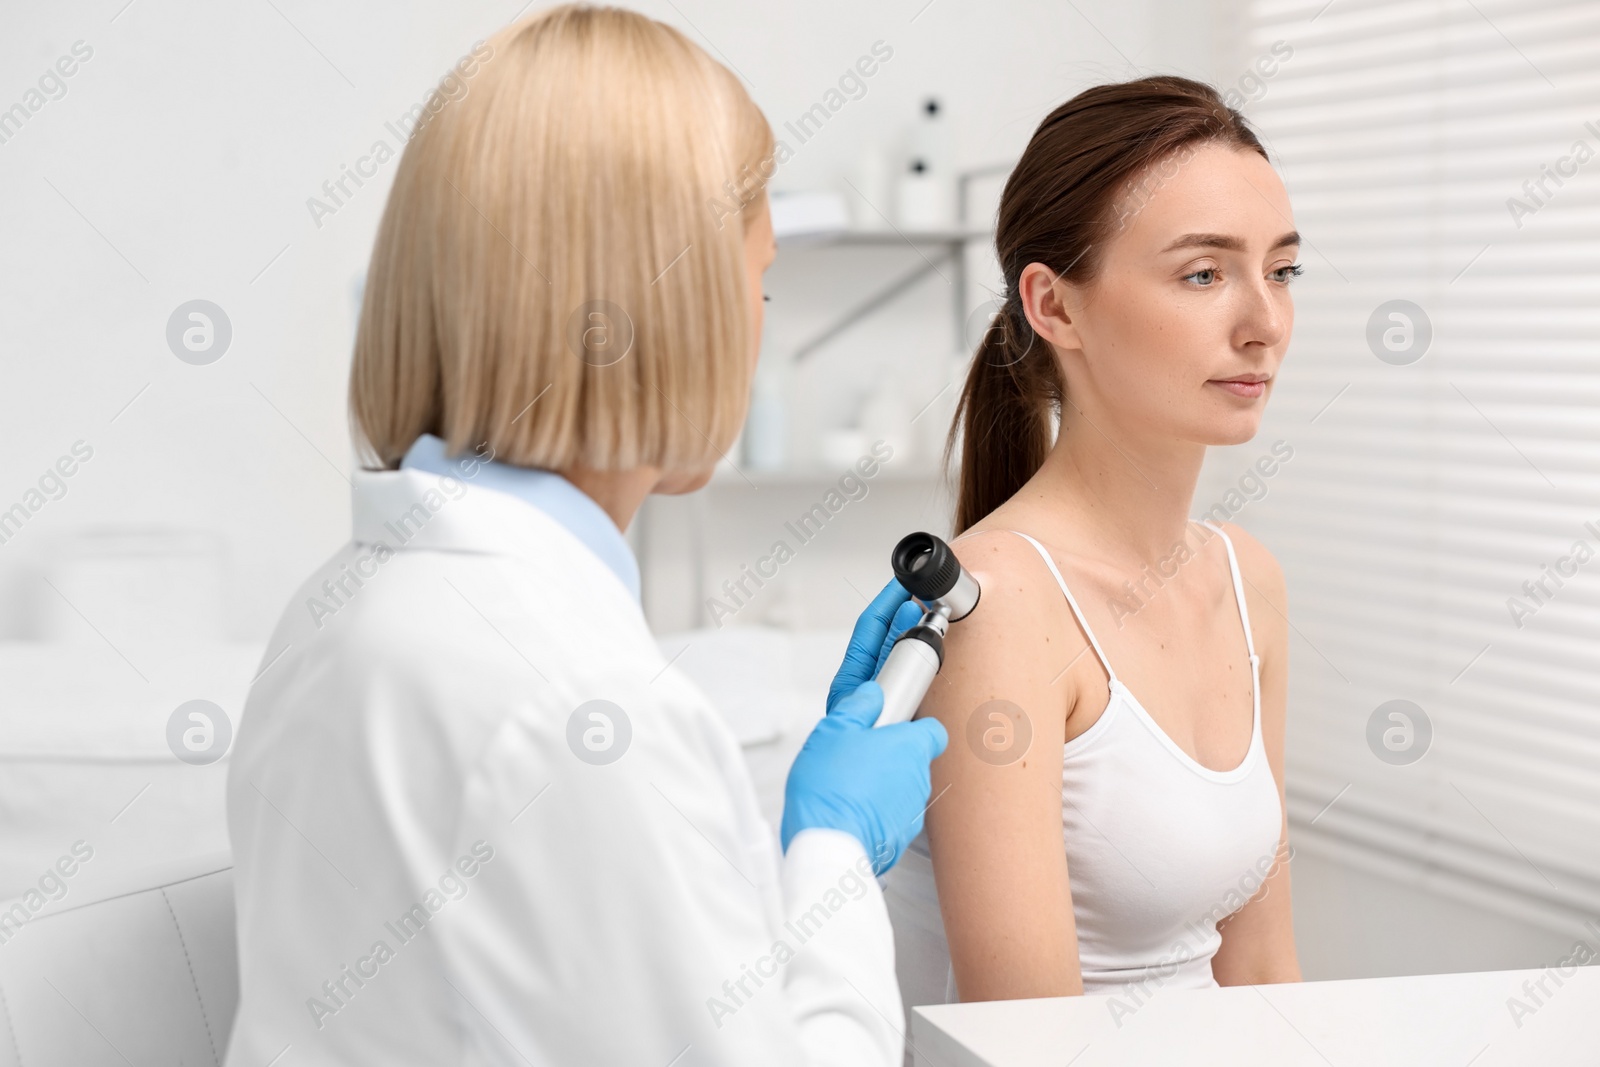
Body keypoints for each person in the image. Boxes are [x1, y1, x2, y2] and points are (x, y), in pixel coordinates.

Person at [222, 7, 946, 1065]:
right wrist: (832, 846)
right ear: (676, 307)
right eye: (761, 284)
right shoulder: (582, 706)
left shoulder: (340, 611)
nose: (758, 326)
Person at [883, 76, 1302, 1028]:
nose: (1264, 322)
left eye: (1282, 270)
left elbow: (1265, 966)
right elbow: (1032, 1039)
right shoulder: (1000, 609)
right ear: (1055, 307)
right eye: (1204, 273)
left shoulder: (1248, 583)